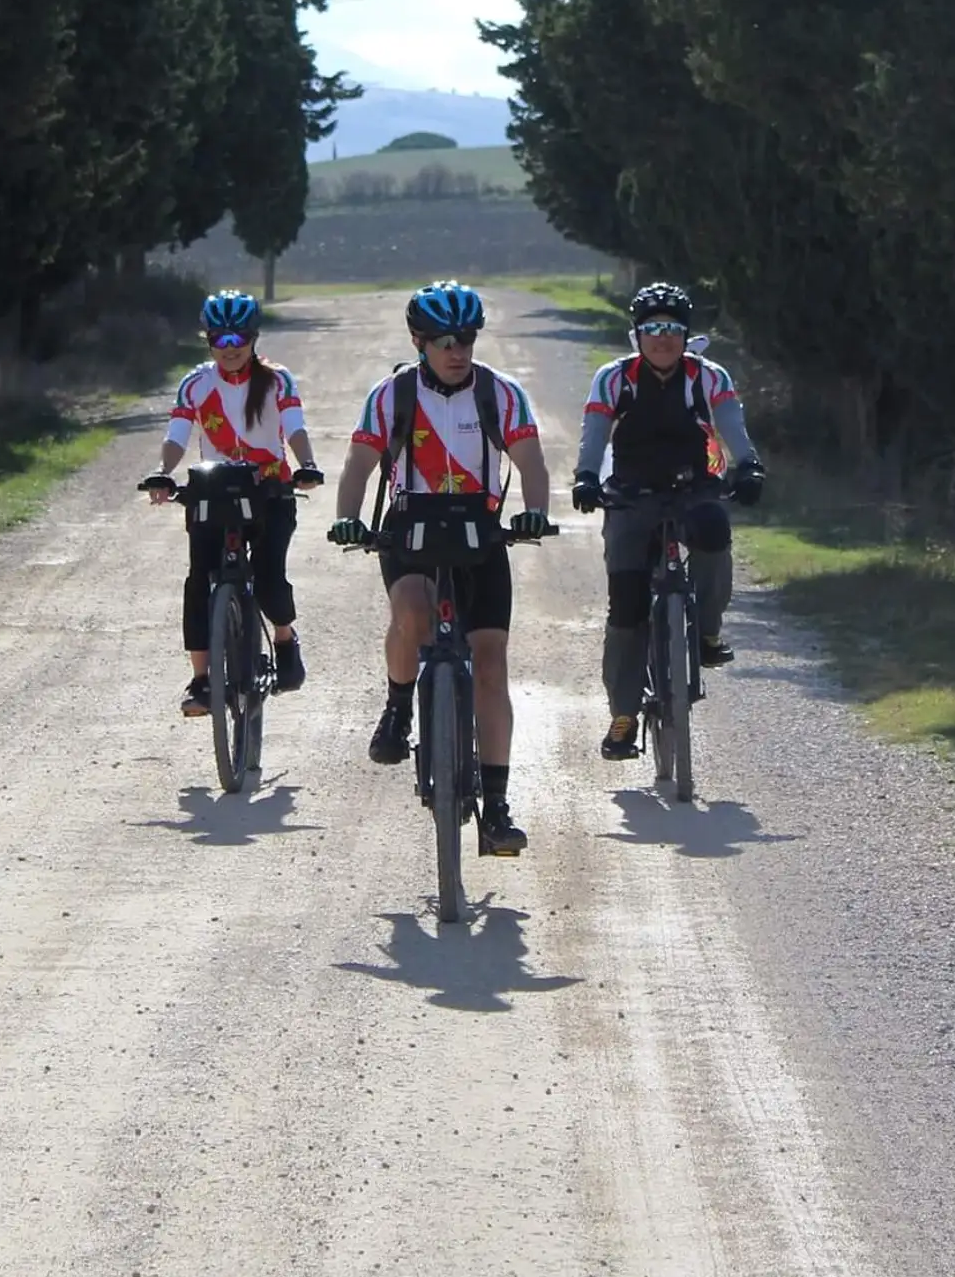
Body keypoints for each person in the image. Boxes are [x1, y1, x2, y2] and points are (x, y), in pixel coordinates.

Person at [328, 280, 552, 856]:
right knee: (411, 613)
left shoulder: (499, 395)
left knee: (492, 666)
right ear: (419, 341)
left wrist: (535, 513)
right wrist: (348, 518)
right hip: (411, 526)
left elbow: (530, 463)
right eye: (444, 340)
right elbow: (359, 466)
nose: (458, 351)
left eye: (468, 339)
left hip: (480, 529)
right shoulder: (392, 396)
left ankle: (497, 808)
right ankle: (399, 706)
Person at [572, 280, 765, 760]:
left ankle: (706, 630)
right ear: (637, 334)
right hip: (631, 495)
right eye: (653, 328)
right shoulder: (614, 379)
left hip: (694, 487)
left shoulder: (708, 377)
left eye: (673, 329)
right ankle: (623, 714)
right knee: (628, 601)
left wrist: (749, 467)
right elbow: (594, 433)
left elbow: (733, 429)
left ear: (685, 334)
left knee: (714, 534)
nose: (663, 338)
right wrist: (585, 477)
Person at [143, 289, 323, 717]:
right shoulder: (196, 383)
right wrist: (164, 473)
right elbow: (177, 435)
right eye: (219, 339)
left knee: (268, 578)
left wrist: (308, 465)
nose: (229, 348)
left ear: (254, 338)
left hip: (270, 489)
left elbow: (294, 427)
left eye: (238, 339)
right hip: (216, 490)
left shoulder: (277, 380)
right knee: (197, 582)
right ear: (208, 340)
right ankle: (202, 680)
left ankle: (283, 638)